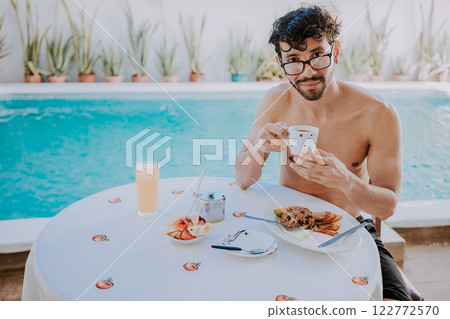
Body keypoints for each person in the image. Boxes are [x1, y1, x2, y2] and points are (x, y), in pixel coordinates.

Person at [235, 5, 411, 301]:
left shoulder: (377, 114)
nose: (307, 71)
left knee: (396, 305)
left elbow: (387, 207)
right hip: (285, 226)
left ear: (336, 51)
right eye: (294, 60)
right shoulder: (275, 101)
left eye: (317, 55)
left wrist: (346, 180)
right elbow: (242, 178)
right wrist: (259, 145)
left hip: (351, 229)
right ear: (280, 63)